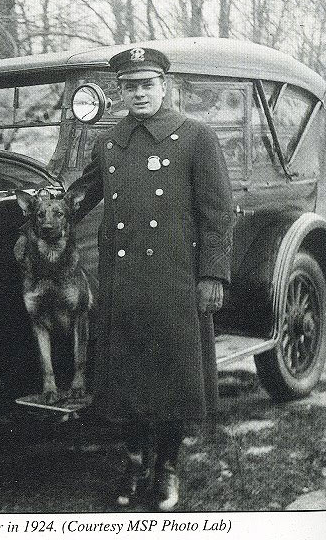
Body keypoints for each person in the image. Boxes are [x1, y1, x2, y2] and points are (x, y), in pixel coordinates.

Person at [67, 47, 234, 511]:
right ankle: (136, 460)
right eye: (129, 86)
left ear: (164, 86)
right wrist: (48, 208)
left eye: (147, 85)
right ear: (119, 91)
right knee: (126, 378)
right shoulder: (110, 140)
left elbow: (218, 213)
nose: (139, 94)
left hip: (174, 278)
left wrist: (212, 275)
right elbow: (84, 192)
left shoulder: (195, 136)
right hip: (122, 281)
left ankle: (167, 467)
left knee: (172, 380)